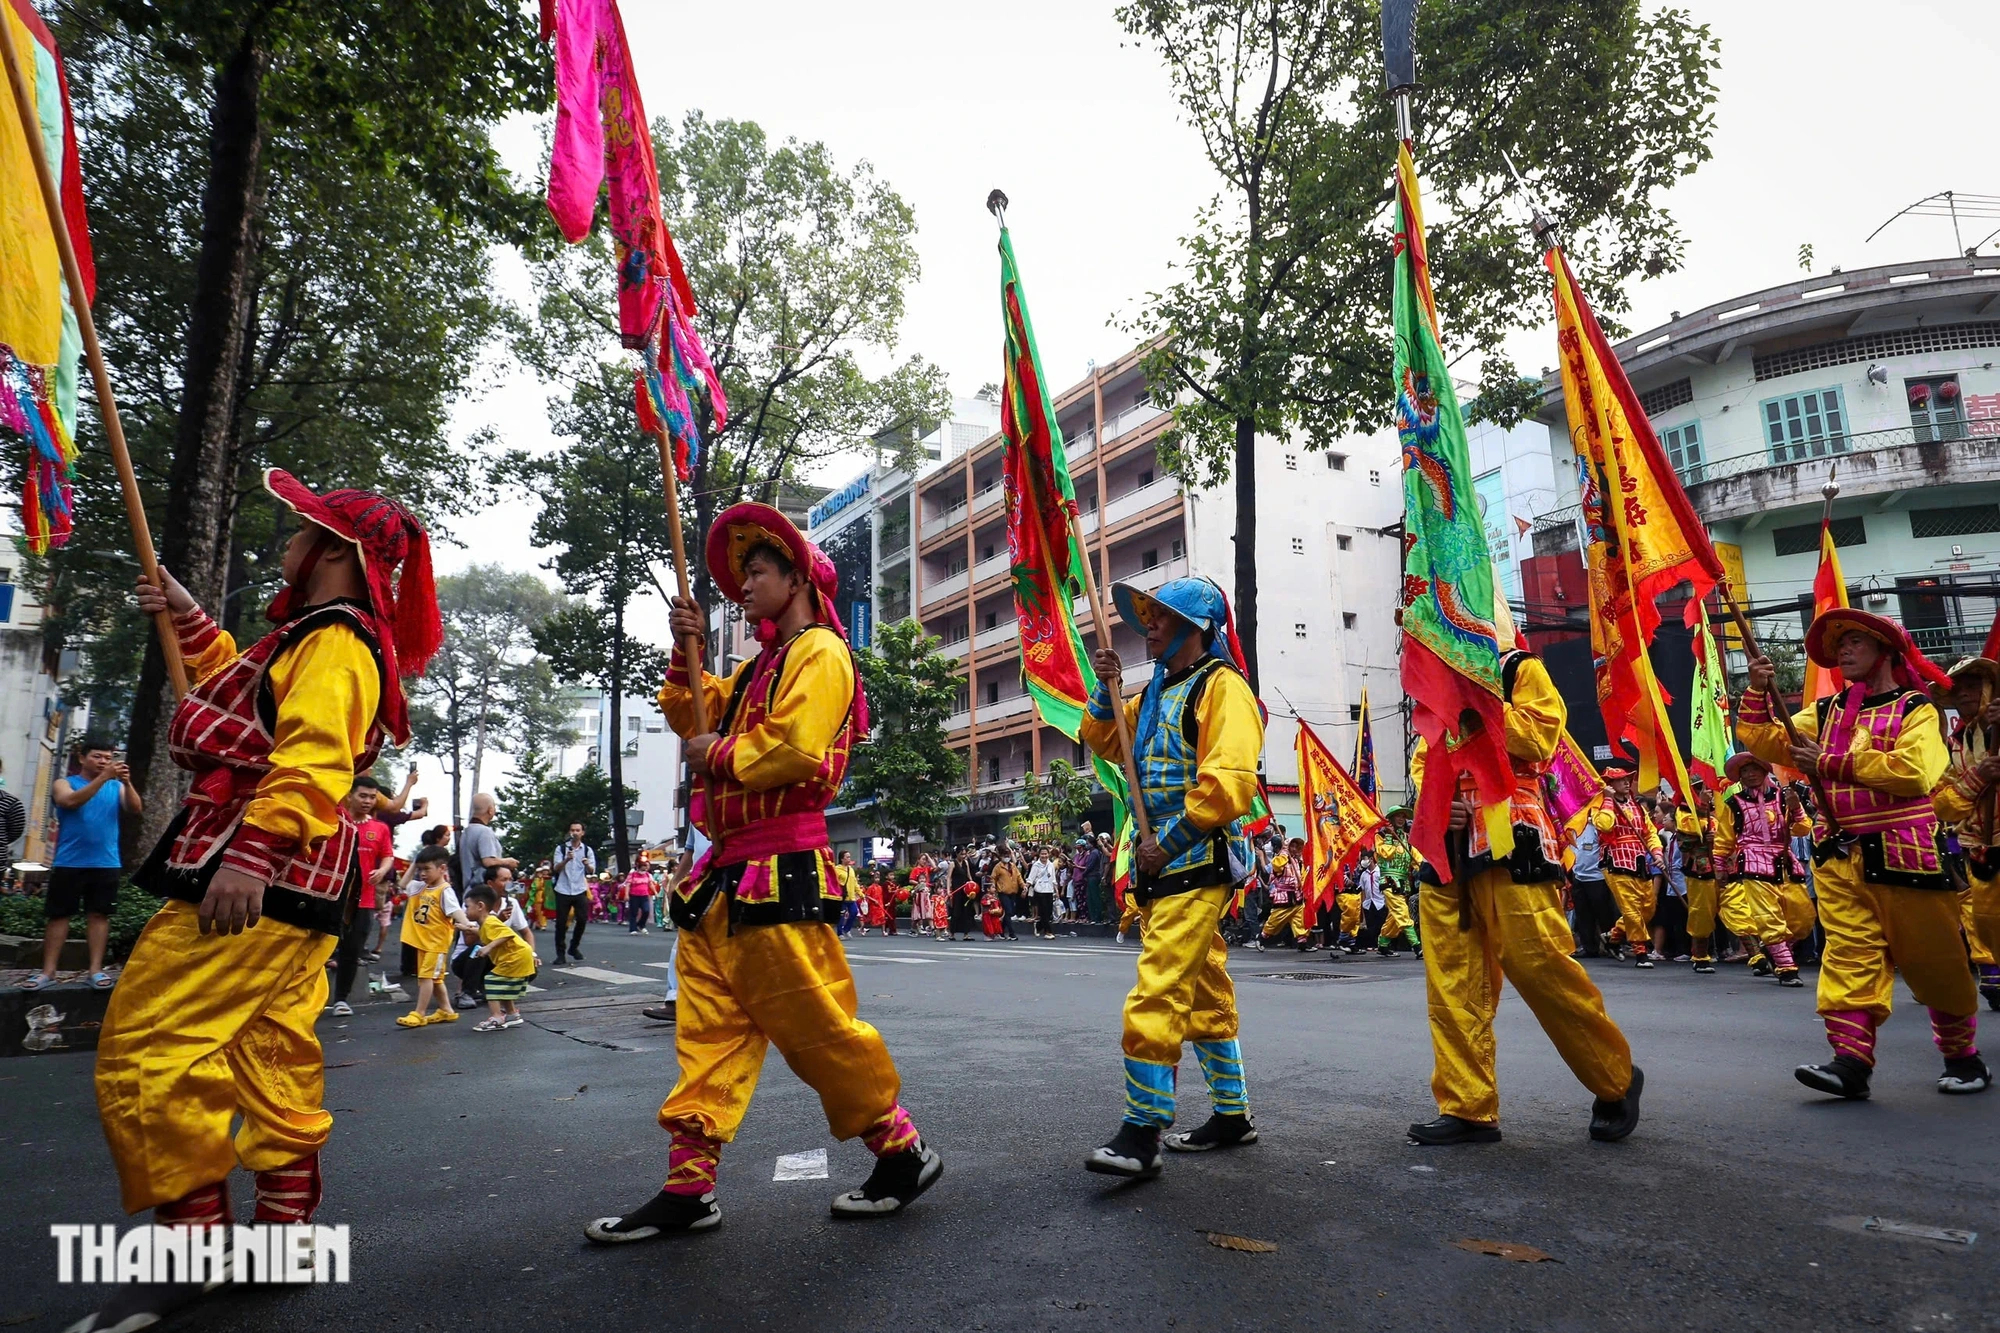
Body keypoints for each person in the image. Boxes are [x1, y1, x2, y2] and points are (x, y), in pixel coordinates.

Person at [81, 471, 440, 1333]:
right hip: (295, 882)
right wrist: (186, 611)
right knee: (267, 1053)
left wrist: (249, 853)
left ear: (334, 553)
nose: (290, 537)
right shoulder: (320, 638)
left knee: (151, 1046)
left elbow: (311, 755)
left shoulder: (338, 641)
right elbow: (248, 693)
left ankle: (192, 1250)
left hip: (253, 873)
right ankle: (281, 1235)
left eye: (302, 525)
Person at [586, 501, 940, 1244]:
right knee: (705, 1034)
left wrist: (715, 753)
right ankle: (688, 1188)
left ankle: (901, 1151)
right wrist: (683, 651)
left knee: (816, 1029)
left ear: (797, 576)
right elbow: (697, 711)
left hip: (780, 869)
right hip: (723, 877)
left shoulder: (821, 654)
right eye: (741, 573)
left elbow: (796, 748)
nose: (743, 585)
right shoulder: (759, 667)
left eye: (757, 571)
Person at [1740, 608, 1991, 1097]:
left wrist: (1831, 762)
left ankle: (1963, 1057)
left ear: (1884, 652)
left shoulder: (1918, 708)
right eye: (1841, 645)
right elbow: (1773, 740)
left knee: (1932, 959)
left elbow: (1915, 772)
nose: (1844, 652)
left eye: (1856, 642)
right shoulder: (1829, 710)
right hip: (1838, 855)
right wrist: (1756, 689)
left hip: (1906, 850)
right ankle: (1850, 1064)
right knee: (1848, 955)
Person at [1407, 647, 1641, 1148]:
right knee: (1453, 983)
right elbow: (1423, 757)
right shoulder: (1432, 679)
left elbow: (1539, 739)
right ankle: (1468, 1107)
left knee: (1540, 967)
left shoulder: (1519, 669)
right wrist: (1436, 801)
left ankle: (1615, 1080)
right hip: (1446, 849)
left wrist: (1479, 700)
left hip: (1511, 835)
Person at [1078, 577, 1263, 1179]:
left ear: (1195, 627)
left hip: (1196, 860)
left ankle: (1142, 1128)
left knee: (1157, 989)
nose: (1148, 627)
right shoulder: (1156, 689)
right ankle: (1232, 1115)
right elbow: (1105, 742)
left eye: (1159, 618)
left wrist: (1171, 843)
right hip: (1161, 864)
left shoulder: (1223, 688)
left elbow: (1230, 784)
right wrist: (1107, 691)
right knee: (1205, 993)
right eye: (1148, 617)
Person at [26, 734, 142, 991]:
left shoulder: (116, 788)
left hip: (106, 863)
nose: (103, 762)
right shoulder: (64, 783)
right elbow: (69, 801)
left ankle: (96, 970)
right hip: (69, 862)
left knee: (99, 915)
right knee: (58, 916)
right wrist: (103, 778)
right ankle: (48, 971)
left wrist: (127, 782)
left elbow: (135, 808)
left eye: (109, 758)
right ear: (82, 758)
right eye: (97, 757)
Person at [1930, 655, 2000, 1011]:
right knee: (1989, 927)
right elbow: (1942, 803)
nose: (1966, 693)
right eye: (1958, 688)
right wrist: (1979, 778)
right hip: (1980, 850)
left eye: (1974, 685)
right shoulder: (1955, 744)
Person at [1711, 752, 1809, 986]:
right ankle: (1786, 968)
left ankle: (1772, 949)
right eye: (1745, 771)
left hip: (1784, 859)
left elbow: (1803, 828)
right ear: (1740, 777)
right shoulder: (1733, 804)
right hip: (1753, 861)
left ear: (1765, 771)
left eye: (1754, 769)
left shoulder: (1785, 797)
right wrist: (1719, 866)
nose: (1750, 774)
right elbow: (1724, 839)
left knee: (1802, 917)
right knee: (1769, 917)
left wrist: (1796, 810)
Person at [330, 776, 396, 1016]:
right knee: (318, 947)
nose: (368, 801)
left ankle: (340, 1000)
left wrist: (383, 869)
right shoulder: (335, 820)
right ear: (350, 796)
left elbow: (388, 855)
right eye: (363, 796)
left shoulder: (380, 829)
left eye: (372, 797)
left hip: (364, 900)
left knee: (352, 950)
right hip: (331, 896)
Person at [1595, 760, 1662, 967]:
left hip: (1640, 861)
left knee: (1648, 908)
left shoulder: (1637, 807)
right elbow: (1605, 825)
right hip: (1616, 860)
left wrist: (1657, 853)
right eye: (1619, 780)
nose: (1625, 783)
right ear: (1609, 785)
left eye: (1626, 779)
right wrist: (1607, 800)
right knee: (1631, 909)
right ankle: (1640, 952)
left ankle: (1613, 937)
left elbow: (1649, 832)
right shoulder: (1600, 806)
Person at [398, 845, 469, 1026]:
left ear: (442, 869)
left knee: (426, 977)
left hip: (435, 944)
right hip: (424, 942)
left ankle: (419, 1012)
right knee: (435, 979)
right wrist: (414, 863)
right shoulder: (420, 888)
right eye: (420, 869)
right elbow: (403, 884)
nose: (422, 873)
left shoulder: (445, 890)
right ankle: (446, 1010)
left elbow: (456, 911)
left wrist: (468, 925)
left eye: (427, 869)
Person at [464, 885, 537, 1032]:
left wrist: (488, 947)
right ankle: (511, 1014)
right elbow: (487, 932)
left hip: (515, 957)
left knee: (491, 981)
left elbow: (507, 934)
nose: (465, 911)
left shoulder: (490, 922)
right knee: (501, 985)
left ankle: (497, 1017)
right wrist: (468, 929)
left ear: (480, 906)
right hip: (515, 956)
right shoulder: (487, 923)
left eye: (467, 906)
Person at [1677, 781, 1722, 973]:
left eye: (1707, 788)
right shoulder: (1684, 811)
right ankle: (1700, 955)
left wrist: (1717, 837)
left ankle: (1757, 956)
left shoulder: (1721, 807)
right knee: (1701, 912)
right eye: (1699, 788)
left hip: (1724, 867)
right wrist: (1706, 828)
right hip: (1700, 869)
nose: (1706, 792)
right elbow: (1687, 836)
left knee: (1737, 909)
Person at [550, 820, 596, 965]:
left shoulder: (587, 850)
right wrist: (566, 860)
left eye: (578, 830)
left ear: (582, 833)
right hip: (563, 889)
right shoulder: (561, 849)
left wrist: (586, 864)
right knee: (561, 923)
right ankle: (560, 953)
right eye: (572, 830)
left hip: (579, 888)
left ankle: (574, 947)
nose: (575, 833)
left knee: (582, 919)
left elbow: (592, 870)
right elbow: (556, 869)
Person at [458, 792, 516, 906]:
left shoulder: (467, 832)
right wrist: (508, 862)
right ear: (490, 810)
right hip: (483, 894)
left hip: (469, 891)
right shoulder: (484, 832)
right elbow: (488, 861)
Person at [1258, 838, 1308, 950]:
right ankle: (1261, 939)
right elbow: (1276, 867)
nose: (1294, 849)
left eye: (1296, 847)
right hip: (1284, 896)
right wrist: (1284, 855)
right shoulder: (1280, 859)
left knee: (1300, 920)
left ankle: (1302, 944)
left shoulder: (1296, 861)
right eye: (1292, 846)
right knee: (1275, 920)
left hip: (1297, 895)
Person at [990, 844, 1024, 941]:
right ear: (1001, 856)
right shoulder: (998, 867)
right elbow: (993, 878)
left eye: (1008, 855)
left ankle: (1000, 930)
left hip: (1013, 892)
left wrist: (1023, 886)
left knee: (1010, 912)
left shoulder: (1013, 866)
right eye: (1005, 856)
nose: (1007, 857)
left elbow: (1018, 877)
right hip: (1003, 892)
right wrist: (993, 890)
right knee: (1008, 911)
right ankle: (1012, 934)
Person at [1029, 845, 1060, 938]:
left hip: (1049, 890)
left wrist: (1056, 890)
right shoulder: (1036, 865)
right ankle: (1048, 932)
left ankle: (1038, 925)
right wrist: (1026, 887)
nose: (1044, 856)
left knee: (1049, 912)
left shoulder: (1051, 865)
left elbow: (1053, 879)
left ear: (1048, 854)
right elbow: (1031, 878)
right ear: (1039, 854)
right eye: (1042, 854)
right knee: (1043, 911)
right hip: (1039, 890)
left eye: (1045, 854)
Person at [625, 854, 656, 935]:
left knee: (646, 911)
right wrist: (626, 895)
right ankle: (633, 929)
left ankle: (641, 925)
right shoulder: (632, 874)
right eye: (643, 865)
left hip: (644, 896)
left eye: (646, 865)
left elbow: (651, 884)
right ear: (638, 865)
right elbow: (628, 885)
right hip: (634, 895)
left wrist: (655, 892)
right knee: (633, 912)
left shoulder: (647, 875)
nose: (645, 867)